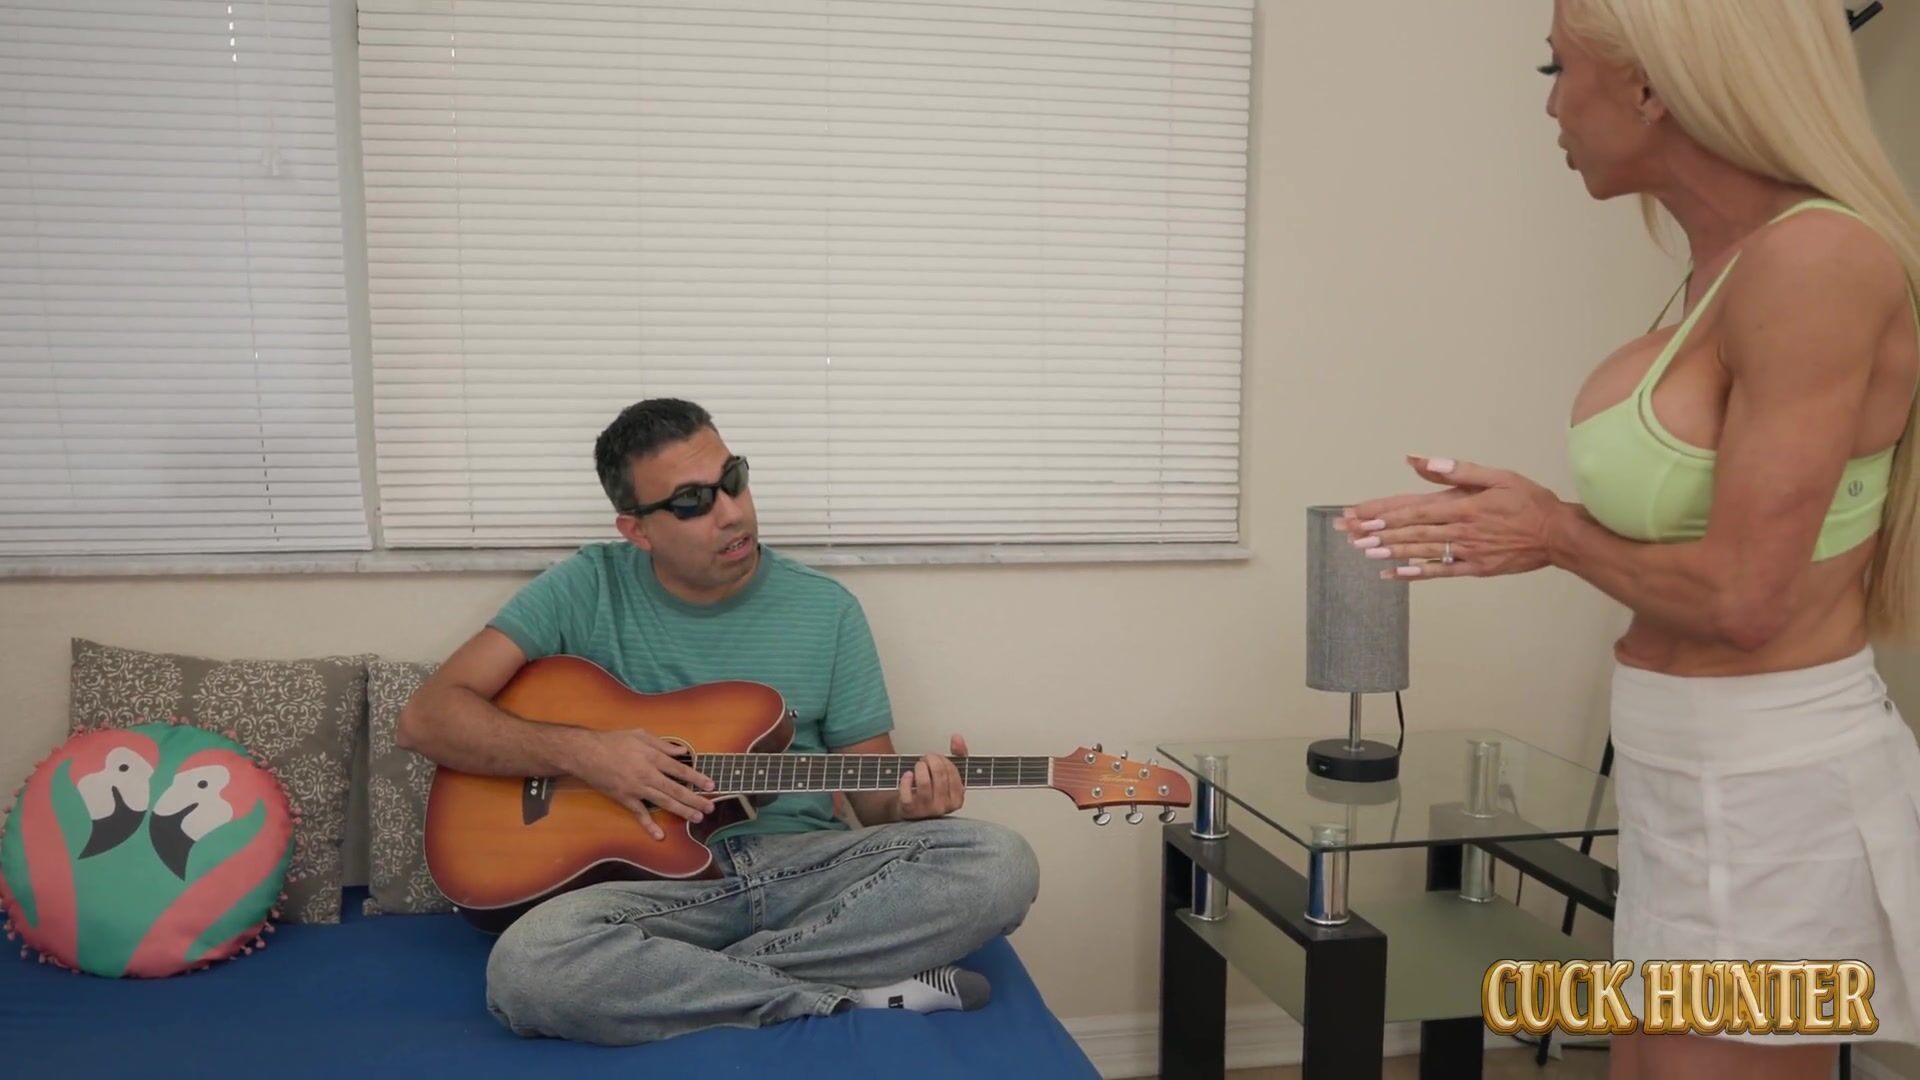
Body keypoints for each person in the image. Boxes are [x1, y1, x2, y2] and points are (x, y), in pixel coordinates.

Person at [1337, 1, 1920, 1077]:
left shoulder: (1817, 261)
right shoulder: (1724, 269)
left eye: (1558, 69)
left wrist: (1553, 531)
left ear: (1651, 85)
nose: (1553, 106)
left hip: (1769, 785)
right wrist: (1525, 524)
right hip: (1681, 765)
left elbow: (1744, 600)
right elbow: (1710, 528)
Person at [397, 397, 1041, 1046]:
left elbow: (873, 800)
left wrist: (910, 806)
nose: (732, 512)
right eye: (692, 502)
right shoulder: (585, 586)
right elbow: (428, 718)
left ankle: (693, 982)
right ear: (637, 530)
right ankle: (850, 991)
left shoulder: (827, 610)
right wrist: (586, 753)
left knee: (1000, 864)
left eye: (734, 479)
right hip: (653, 892)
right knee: (527, 967)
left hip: (805, 873)